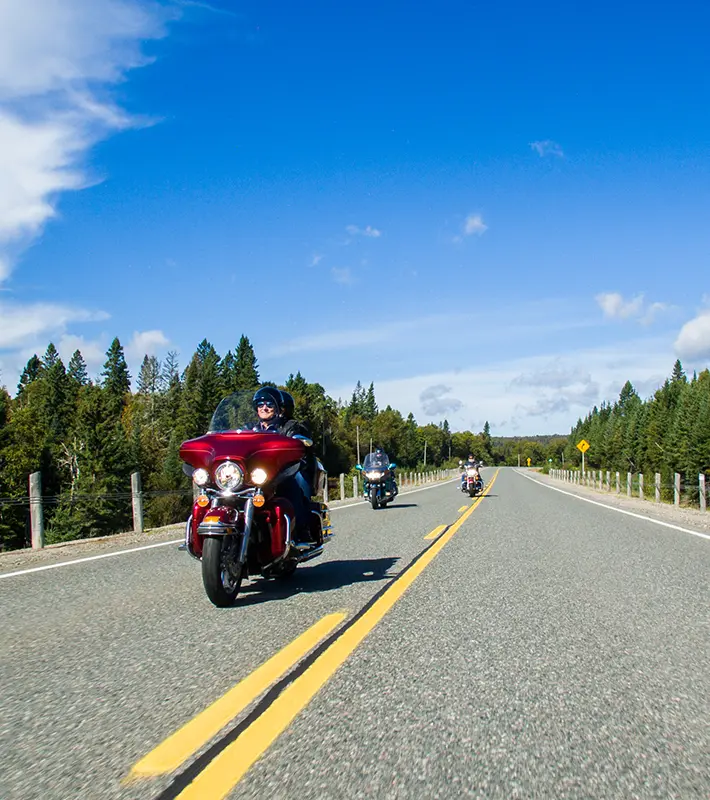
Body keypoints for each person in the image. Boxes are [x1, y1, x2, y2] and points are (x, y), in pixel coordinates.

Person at [251, 386, 315, 541]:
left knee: (293, 485)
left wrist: (297, 443)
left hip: (279, 471)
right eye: (260, 404)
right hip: (255, 473)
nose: (264, 408)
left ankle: (301, 528)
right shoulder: (250, 429)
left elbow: (297, 443)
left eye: (269, 404)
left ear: (278, 408)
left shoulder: (289, 426)